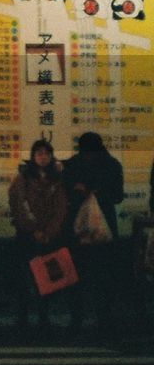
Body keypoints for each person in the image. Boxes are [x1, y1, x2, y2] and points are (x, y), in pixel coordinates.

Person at [62, 131, 127, 336]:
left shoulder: (72, 165)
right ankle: (102, 319)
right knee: (103, 277)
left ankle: (79, 319)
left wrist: (85, 191)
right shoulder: (112, 164)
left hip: (80, 229)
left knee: (79, 276)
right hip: (103, 229)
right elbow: (118, 196)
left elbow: (66, 191)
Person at [8, 139, 69, 336]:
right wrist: (33, 230)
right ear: (33, 157)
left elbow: (61, 208)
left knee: (48, 279)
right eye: (39, 154)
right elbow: (19, 206)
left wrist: (49, 232)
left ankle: (44, 318)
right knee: (23, 279)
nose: (43, 157)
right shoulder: (22, 178)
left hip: (50, 237)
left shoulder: (58, 178)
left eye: (46, 154)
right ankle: (23, 319)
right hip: (26, 236)